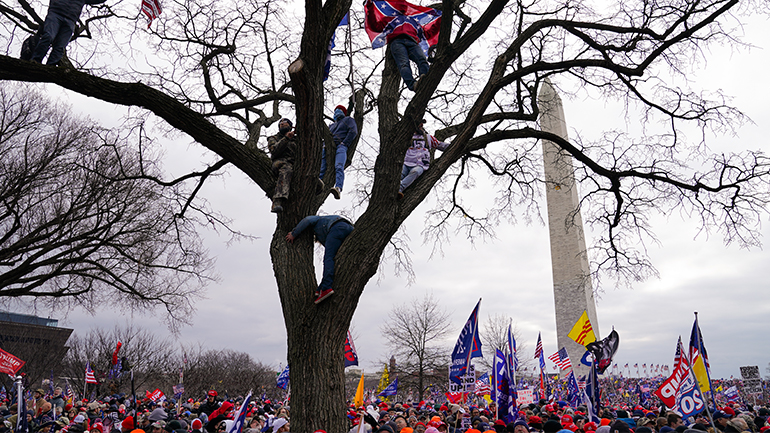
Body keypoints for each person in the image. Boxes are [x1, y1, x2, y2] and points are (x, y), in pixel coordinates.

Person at [285, 214, 354, 304]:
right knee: (334, 259)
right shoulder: (327, 227)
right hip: (349, 229)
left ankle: (326, 288)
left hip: (337, 227)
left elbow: (307, 220)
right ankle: (321, 288)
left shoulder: (318, 219)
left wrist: (293, 234)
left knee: (328, 258)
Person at [30, 0, 107, 65]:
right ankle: (35, 60)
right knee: (48, 36)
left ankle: (51, 66)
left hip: (71, 20)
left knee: (60, 46)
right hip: (55, 14)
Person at [397, 120, 449, 199]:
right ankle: (391, 190)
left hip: (420, 165)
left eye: (421, 125)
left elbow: (440, 145)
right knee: (399, 175)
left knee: (415, 172)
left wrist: (454, 145)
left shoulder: (427, 137)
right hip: (406, 163)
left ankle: (400, 188)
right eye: (419, 124)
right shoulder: (406, 137)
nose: (420, 126)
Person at [320, 105, 358, 200]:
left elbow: (353, 131)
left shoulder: (348, 120)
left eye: (339, 110)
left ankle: (338, 187)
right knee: (322, 167)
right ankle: (318, 184)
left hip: (341, 146)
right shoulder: (332, 125)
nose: (337, 111)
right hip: (327, 147)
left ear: (344, 112)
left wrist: (344, 142)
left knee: (339, 166)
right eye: (335, 110)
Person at [267, 118, 298, 213]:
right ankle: (277, 201)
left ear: (290, 126)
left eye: (285, 123)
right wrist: (286, 138)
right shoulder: (274, 138)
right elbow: (274, 151)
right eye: (280, 123)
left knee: (319, 184)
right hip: (280, 162)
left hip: (295, 165)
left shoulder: (297, 139)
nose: (282, 124)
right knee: (286, 169)